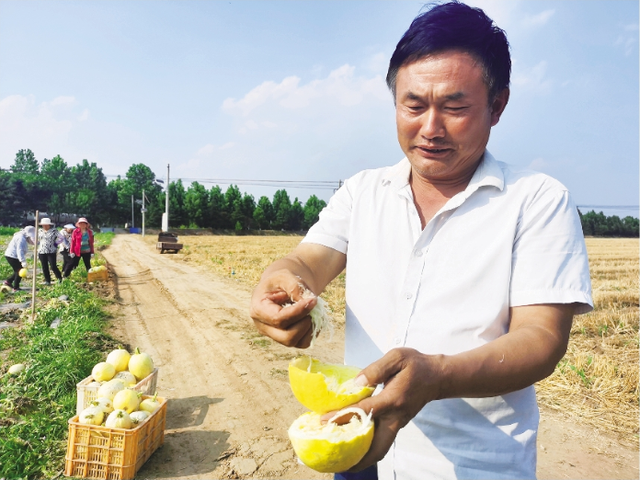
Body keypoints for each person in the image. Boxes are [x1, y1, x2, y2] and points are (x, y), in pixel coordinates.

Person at [249, 3, 593, 480]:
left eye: (454, 107)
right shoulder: (364, 191)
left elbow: (541, 340)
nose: (430, 128)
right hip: (357, 443)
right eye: (413, 105)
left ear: (497, 106)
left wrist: (437, 376)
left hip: (475, 464)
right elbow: (306, 260)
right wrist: (278, 283)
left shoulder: (537, 201)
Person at [3, 226, 35, 293]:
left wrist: (36, 243)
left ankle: (8, 281)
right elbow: (19, 250)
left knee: (17, 270)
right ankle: (16, 288)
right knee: (20, 271)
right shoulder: (21, 238)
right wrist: (22, 261)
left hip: (12, 255)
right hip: (12, 256)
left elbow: (31, 241)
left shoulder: (22, 235)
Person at [37, 218, 63, 285]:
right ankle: (47, 281)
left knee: (53, 266)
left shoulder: (54, 231)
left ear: (49, 225)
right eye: (43, 225)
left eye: (46, 225)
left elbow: (61, 238)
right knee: (44, 266)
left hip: (51, 251)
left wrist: (56, 244)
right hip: (42, 251)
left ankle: (59, 279)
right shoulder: (40, 231)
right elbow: (36, 239)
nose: (44, 226)